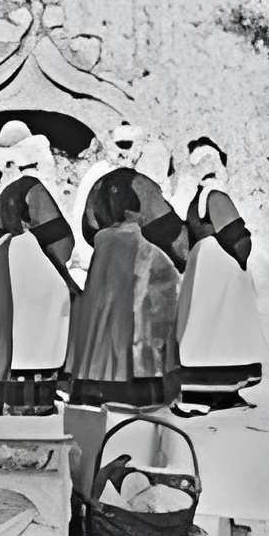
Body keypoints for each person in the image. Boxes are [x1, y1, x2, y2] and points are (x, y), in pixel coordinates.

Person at [0, 127, 76, 413]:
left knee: (11, 332)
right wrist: (63, 273)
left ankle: (5, 399)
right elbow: (59, 237)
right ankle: (34, 402)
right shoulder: (34, 188)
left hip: (7, 263)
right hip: (35, 264)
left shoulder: (7, 192)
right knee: (38, 332)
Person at [65, 165, 184, 409]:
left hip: (105, 267)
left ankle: (94, 393)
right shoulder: (142, 189)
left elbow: (88, 229)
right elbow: (172, 233)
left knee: (102, 328)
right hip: (136, 267)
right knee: (134, 329)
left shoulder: (99, 193)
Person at [174, 138, 267, 410]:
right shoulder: (215, 195)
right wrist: (241, 260)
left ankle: (206, 392)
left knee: (206, 329)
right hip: (219, 267)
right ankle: (222, 393)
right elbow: (237, 237)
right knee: (223, 328)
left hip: (204, 265)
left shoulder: (196, 200)